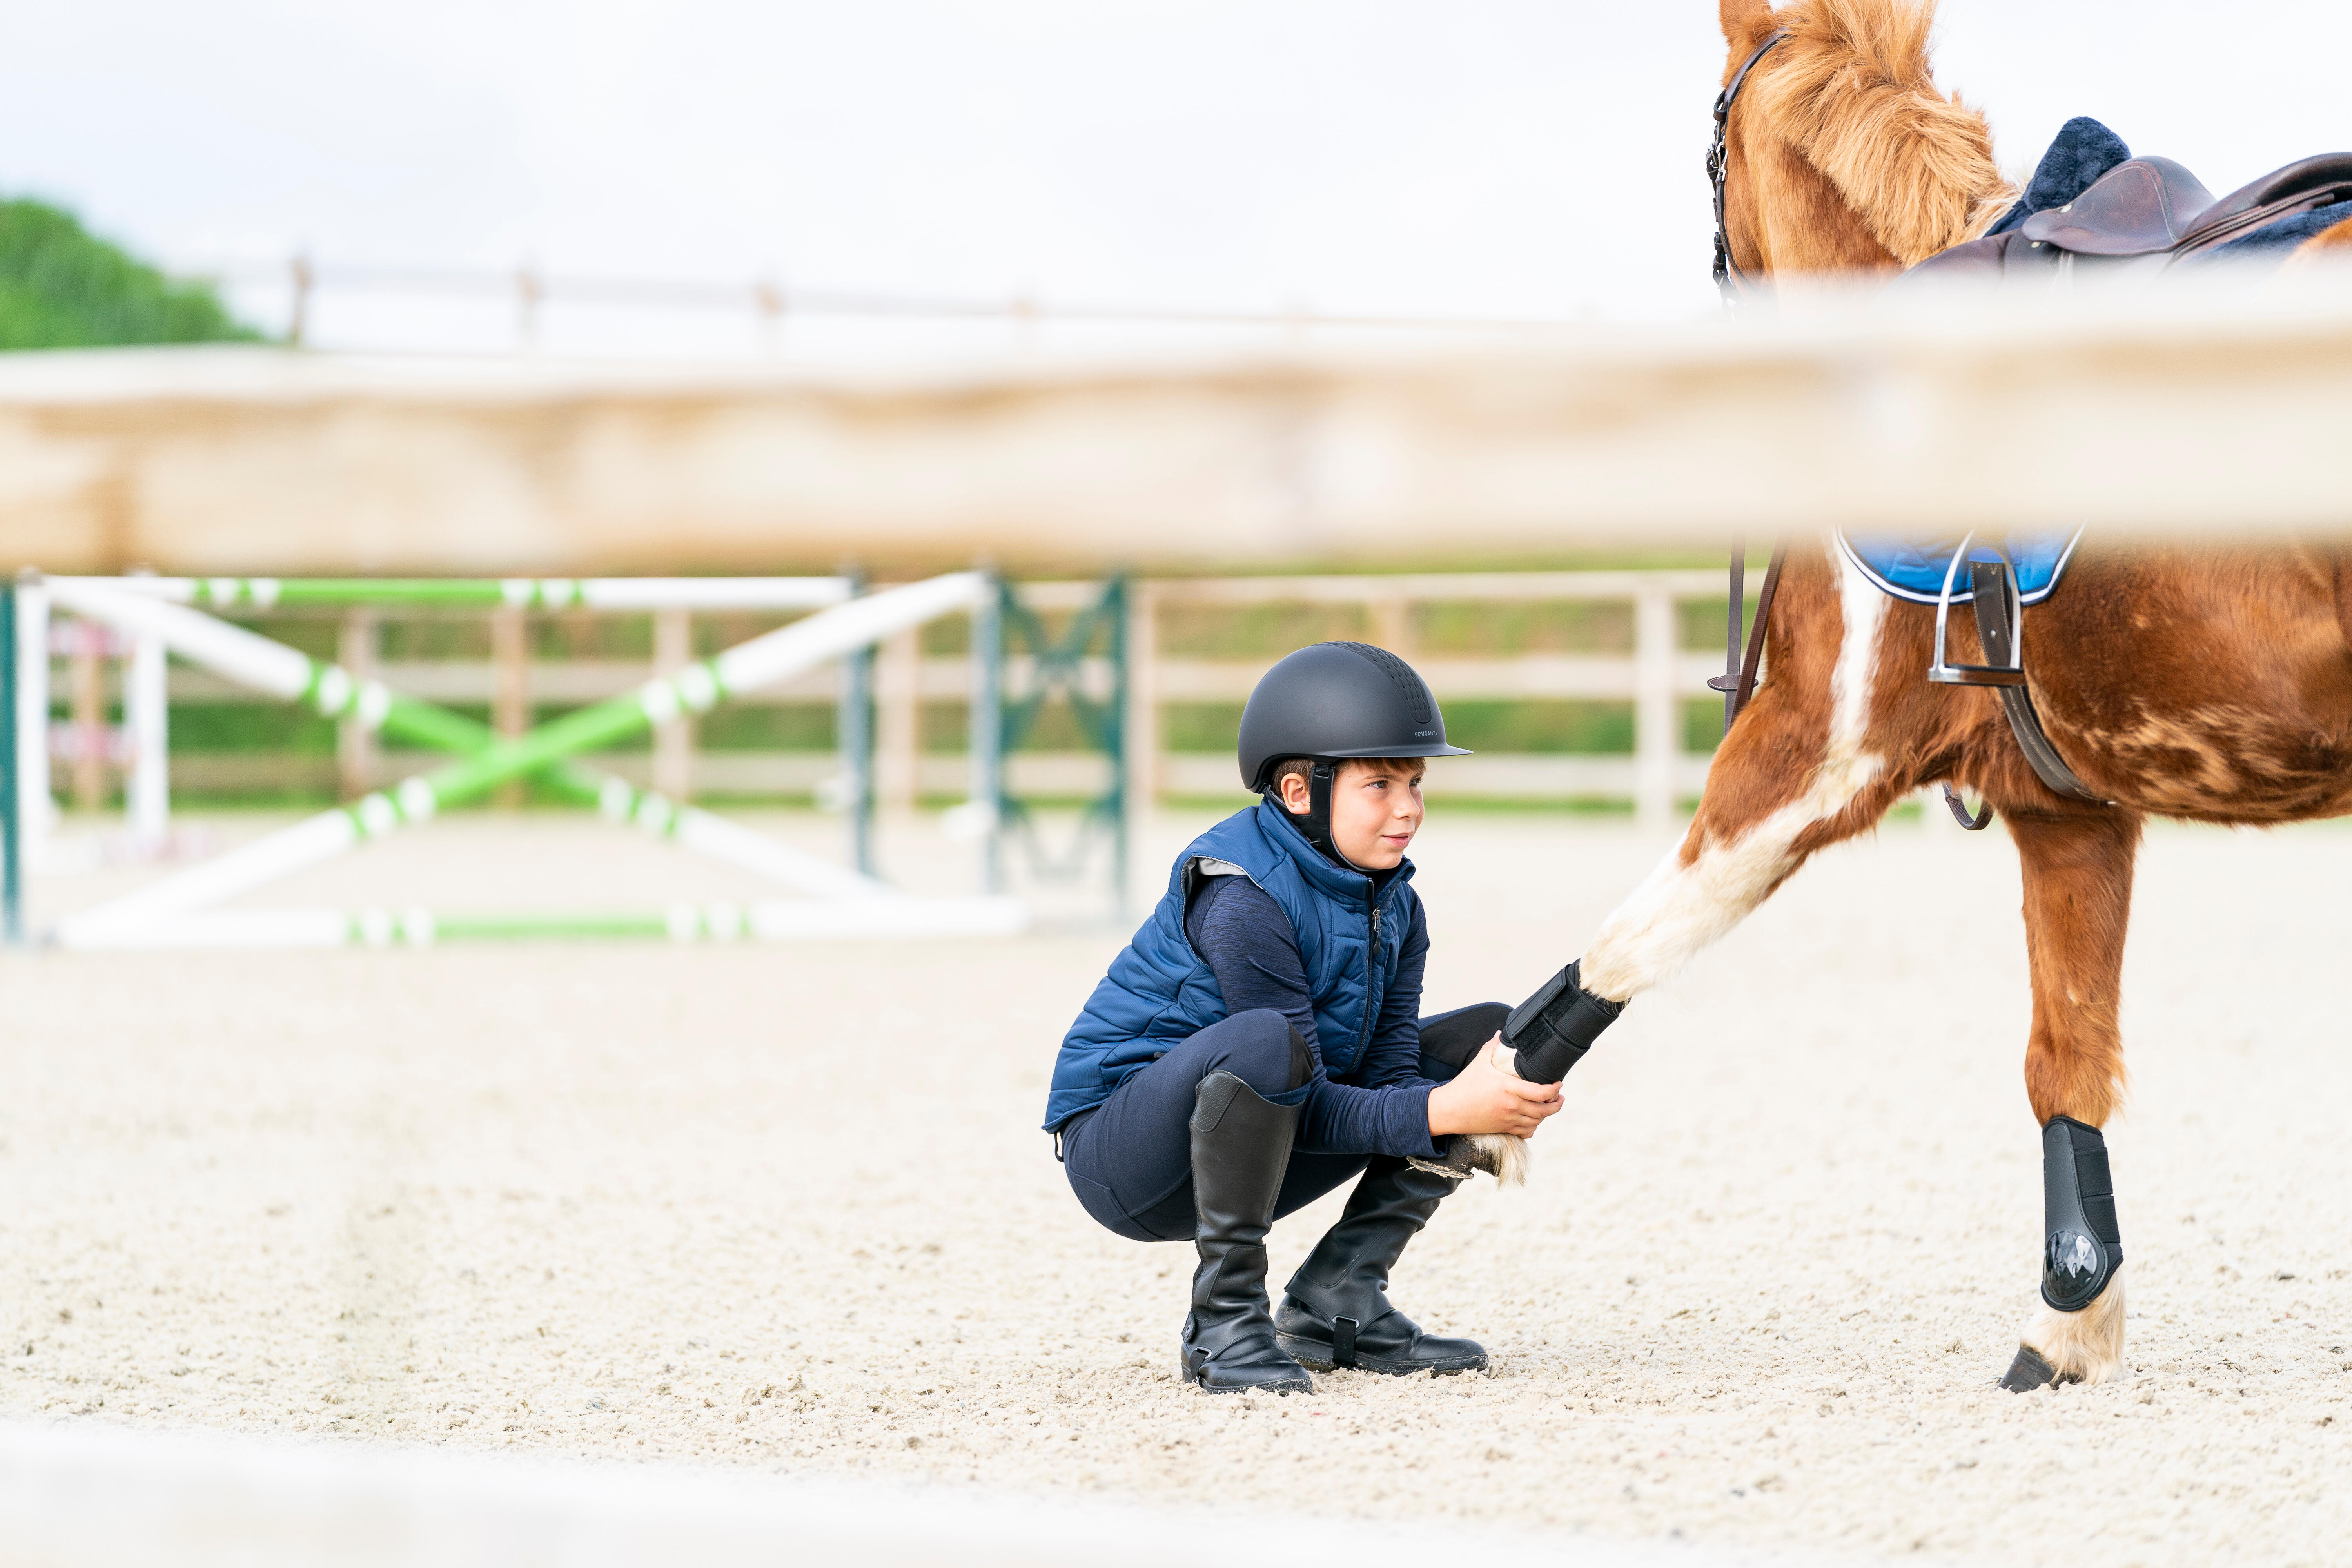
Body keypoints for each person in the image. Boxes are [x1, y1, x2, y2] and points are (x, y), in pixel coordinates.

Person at [1044, 641, 1564, 1393]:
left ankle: (1336, 1299)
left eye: (1415, 782)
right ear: (1298, 791)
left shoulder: (1395, 905)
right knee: (1266, 1041)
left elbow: (1385, 1082)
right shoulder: (1241, 898)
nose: (1409, 808)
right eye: (1380, 785)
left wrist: (1475, 1092)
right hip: (1126, 1155)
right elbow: (1306, 1096)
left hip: (1259, 1123)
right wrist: (1451, 1110)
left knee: (1489, 1037)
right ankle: (1223, 1322)